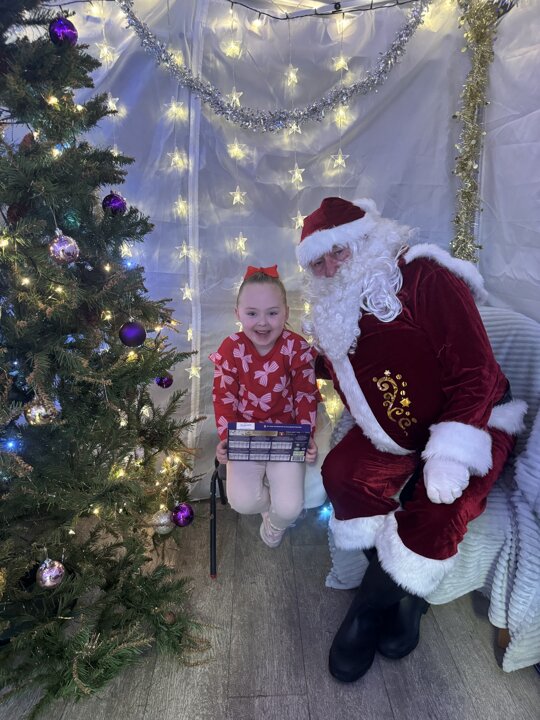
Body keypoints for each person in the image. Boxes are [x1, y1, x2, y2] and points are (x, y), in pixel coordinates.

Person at [296, 197, 527, 682]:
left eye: (339, 251)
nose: (331, 268)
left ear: (367, 239)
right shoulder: (335, 313)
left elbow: (479, 372)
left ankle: (368, 609)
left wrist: (451, 452)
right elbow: (357, 372)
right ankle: (404, 595)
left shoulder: (424, 276)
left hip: (476, 421)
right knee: (341, 473)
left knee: (443, 508)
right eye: (318, 262)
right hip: (396, 436)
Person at [209, 265, 319, 548]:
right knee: (242, 502)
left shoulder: (296, 347)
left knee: (290, 508)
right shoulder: (230, 349)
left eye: (272, 313)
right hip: (245, 436)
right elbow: (223, 398)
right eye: (252, 313)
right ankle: (268, 508)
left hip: (286, 436)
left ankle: (275, 525)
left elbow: (305, 395)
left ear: (286, 312)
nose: (262, 323)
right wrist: (226, 439)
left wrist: (306, 436)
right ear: (237, 313)